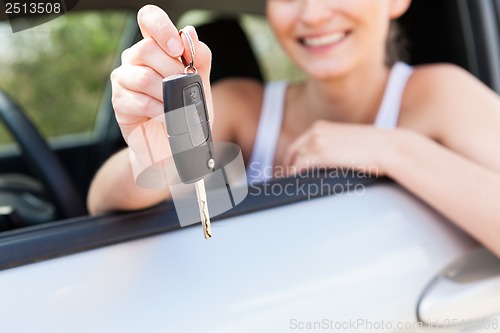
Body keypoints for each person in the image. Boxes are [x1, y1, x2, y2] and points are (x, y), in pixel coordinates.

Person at [87, 1, 500, 256]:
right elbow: (103, 200)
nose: (314, 13)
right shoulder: (242, 108)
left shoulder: (441, 96)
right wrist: (154, 158)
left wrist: (395, 150)